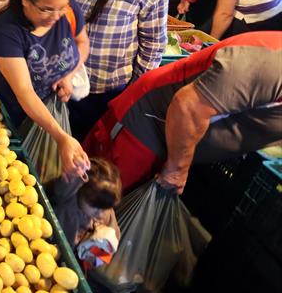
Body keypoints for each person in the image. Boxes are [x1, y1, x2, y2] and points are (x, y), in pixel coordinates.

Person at [84, 31, 282, 194]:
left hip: (169, 144)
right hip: (145, 128)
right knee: (92, 203)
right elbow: (188, 106)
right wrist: (177, 169)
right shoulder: (268, 64)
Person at [68, 0, 167, 139]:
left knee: (98, 148)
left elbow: (153, 45)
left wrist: (134, 90)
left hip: (112, 89)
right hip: (72, 81)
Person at [0, 0, 91, 178]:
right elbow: (24, 91)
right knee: (19, 174)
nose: (56, 16)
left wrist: (68, 76)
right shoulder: (6, 30)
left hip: (55, 110)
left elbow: (82, 43)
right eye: (45, 9)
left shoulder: (67, 7)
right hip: (17, 116)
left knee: (49, 173)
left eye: (61, 8)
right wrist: (61, 137)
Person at [49, 157, 121, 257]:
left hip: (68, 256)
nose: (100, 214)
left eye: (104, 208)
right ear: (81, 189)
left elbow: (114, 236)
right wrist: (77, 171)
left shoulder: (104, 210)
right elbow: (63, 187)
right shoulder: (69, 196)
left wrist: (101, 239)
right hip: (47, 242)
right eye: (95, 207)